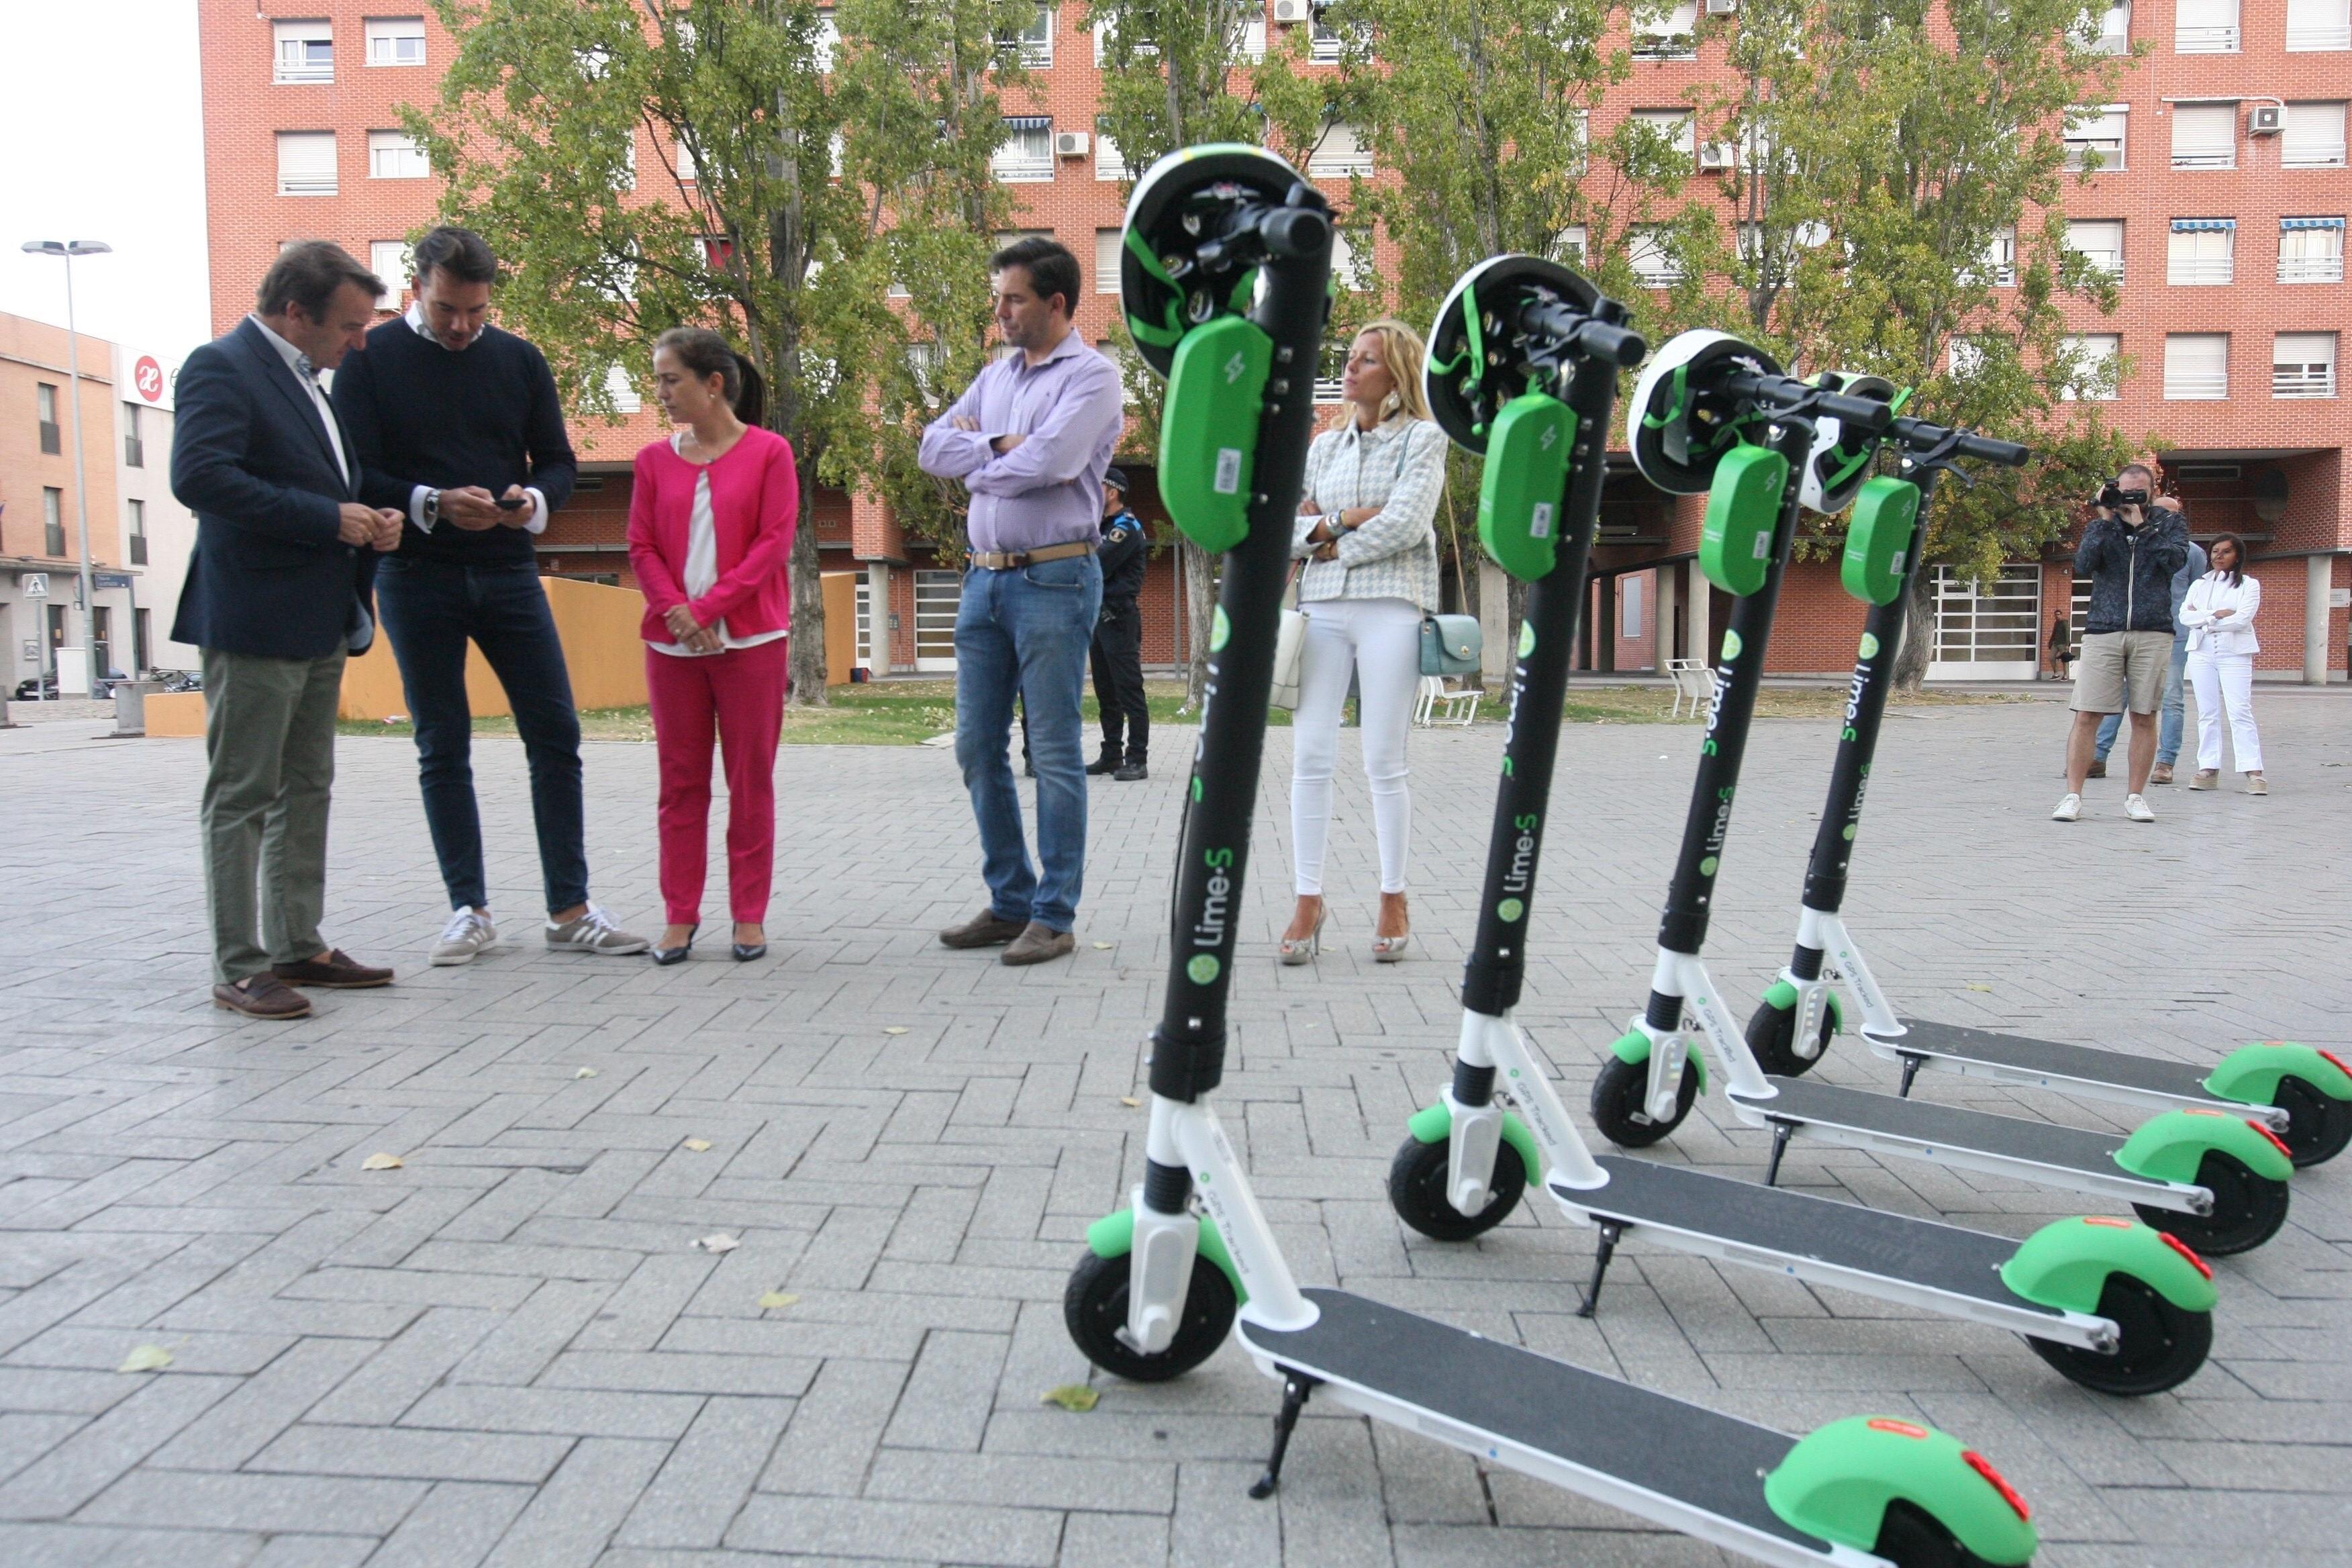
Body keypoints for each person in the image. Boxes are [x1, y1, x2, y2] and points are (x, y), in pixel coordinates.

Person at [332, 227, 648, 965]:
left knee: (556, 732)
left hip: (510, 569)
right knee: (442, 740)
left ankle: (569, 908)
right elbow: (354, 470)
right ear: (416, 290)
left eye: (476, 310)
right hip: (415, 574)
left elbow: (561, 463)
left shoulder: (519, 359)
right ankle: (467, 908)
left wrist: (531, 498)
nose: (463, 325)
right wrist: (430, 502)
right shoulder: (370, 360)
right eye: (448, 309)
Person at [169, 242, 404, 1019]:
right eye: (349, 324)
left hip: (317, 619)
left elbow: (330, 481)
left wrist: (377, 516)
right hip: (254, 619)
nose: (360, 341)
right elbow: (199, 476)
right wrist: (328, 518)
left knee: (307, 786)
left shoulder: (310, 382)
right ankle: (239, 964)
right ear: (296, 312)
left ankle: (296, 944)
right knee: (242, 794)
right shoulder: (221, 366)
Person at [917, 236, 1122, 967]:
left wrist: (984, 457)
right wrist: (1004, 447)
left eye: (1013, 298)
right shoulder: (993, 377)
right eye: (998, 297)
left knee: (1056, 751)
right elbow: (930, 448)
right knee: (976, 746)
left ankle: (1055, 914)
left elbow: (1057, 462)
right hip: (983, 580)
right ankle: (1010, 901)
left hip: (1054, 579)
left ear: (1056, 303)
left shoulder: (1095, 378)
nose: (1000, 311)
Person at [1278, 320, 1449, 964]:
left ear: (1398, 375)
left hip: (1391, 608)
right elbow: (1292, 530)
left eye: (1366, 360)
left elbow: (1407, 524)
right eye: (1349, 358)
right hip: (1320, 608)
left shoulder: (1424, 440)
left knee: (1384, 758)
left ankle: (1393, 894)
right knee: (1311, 755)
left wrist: (1328, 541)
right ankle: (1307, 896)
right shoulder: (1324, 446)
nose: (1351, 369)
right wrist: (1345, 520)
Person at [628, 328, 799, 963]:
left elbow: (771, 547)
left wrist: (705, 611)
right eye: (658, 380)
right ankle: (680, 914)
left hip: (751, 641)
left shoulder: (771, 454)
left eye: (671, 380)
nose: (661, 392)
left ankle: (748, 915)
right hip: (671, 646)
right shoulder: (651, 462)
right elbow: (641, 546)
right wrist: (676, 613)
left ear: (714, 384)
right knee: (680, 783)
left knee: (749, 781)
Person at [2054, 463, 2189, 824]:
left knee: (2144, 715)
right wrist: (2103, 516)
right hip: (2104, 629)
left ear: (2151, 490)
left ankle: (2135, 797)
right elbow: (2084, 563)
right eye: (2124, 490)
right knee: (2087, 715)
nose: (2129, 497)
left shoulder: (2168, 523)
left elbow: (2174, 561)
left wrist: (2140, 525)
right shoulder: (2102, 525)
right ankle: (2072, 796)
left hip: (2153, 630)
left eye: (2137, 492)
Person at [2086, 522, 2206, 785]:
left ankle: (2165, 762)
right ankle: (2097, 756)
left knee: (2170, 699)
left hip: (2172, 633)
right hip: (2131, 630)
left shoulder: (2192, 552)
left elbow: (2199, 593)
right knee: (2114, 697)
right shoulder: (2133, 544)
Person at [2179, 532, 2266, 794]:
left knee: (2240, 710)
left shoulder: (2249, 585)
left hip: (2235, 653)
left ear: (2237, 555)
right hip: (2201, 652)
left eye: (2226, 551)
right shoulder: (2199, 584)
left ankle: (2253, 770)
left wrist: (2202, 619)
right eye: (2215, 551)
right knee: (2207, 712)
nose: (2219, 556)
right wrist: (2214, 615)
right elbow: (2185, 616)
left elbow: (2241, 619)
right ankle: (2208, 767)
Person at [1086, 466, 1150, 781]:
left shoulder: (1125, 528)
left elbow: (1094, 563)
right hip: (1099, 618)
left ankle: (1137, 758)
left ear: (1112, 492)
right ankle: (1111, 755)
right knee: (1105, 691)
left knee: (1128, 690)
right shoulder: (1102, 526)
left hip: (1119, 617)